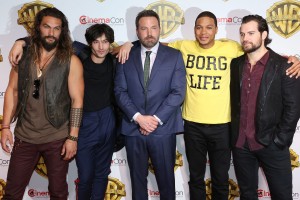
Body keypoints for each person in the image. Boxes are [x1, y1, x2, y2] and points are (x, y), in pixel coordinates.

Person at [117, 11, 300, 200]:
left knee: (221, 179)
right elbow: (153, 44)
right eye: (199, 27)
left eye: (209, 27)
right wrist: (130, 44)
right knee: (195, 178)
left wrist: (292, 60)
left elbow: (264, 55)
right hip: (193, 125)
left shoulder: (233, 49)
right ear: (194, 30)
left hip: (222, 126)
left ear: (216, 30)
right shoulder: (183, 46)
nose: (203, 32)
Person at [0, 7, 84, 200]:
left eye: (56, 28)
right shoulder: (23, 56)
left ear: (62, 31)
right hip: (24, 136)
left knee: (58, 193)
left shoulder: (71, 61)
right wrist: (5, 126)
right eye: (47, 27)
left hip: (57, 138)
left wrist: (72, 138)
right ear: (38, 27)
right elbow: (12, 91)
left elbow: (77, 101)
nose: (51, 33)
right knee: (12, 193)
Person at [114, 10, 186, 200]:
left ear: (160, 29)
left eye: (153, 28)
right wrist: (138, 118)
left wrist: (154, 120)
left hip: (162, 129)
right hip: (133, 129)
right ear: (137, 31)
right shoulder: (125, 55)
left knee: (166, 183)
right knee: (137, 183)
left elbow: (178, 92)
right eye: (144, 28)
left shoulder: (174, 56)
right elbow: (120, 91)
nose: (149, 33)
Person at [230, 14, 300, 200]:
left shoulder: (285, 65)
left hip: (271, 144)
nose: (245, 38)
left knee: (282, 196)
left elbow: (293, 108)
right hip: (241, 145)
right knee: (247, 195)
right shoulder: (235, 64)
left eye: (251, 33)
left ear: (264, 35)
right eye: (242, 33)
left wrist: (280, 141)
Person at [74, 24, 119, 199]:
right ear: (89, 43)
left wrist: (129, 44)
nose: (101, 47)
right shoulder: (79, 57)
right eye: (96, 42)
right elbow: (51, 40)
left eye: (105, 42)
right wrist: (21, 42)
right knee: (85, 176)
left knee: (102, 175)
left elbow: (145, 44)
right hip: (85, 121)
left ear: (110, 44)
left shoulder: (114, 61)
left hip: (108, 119)